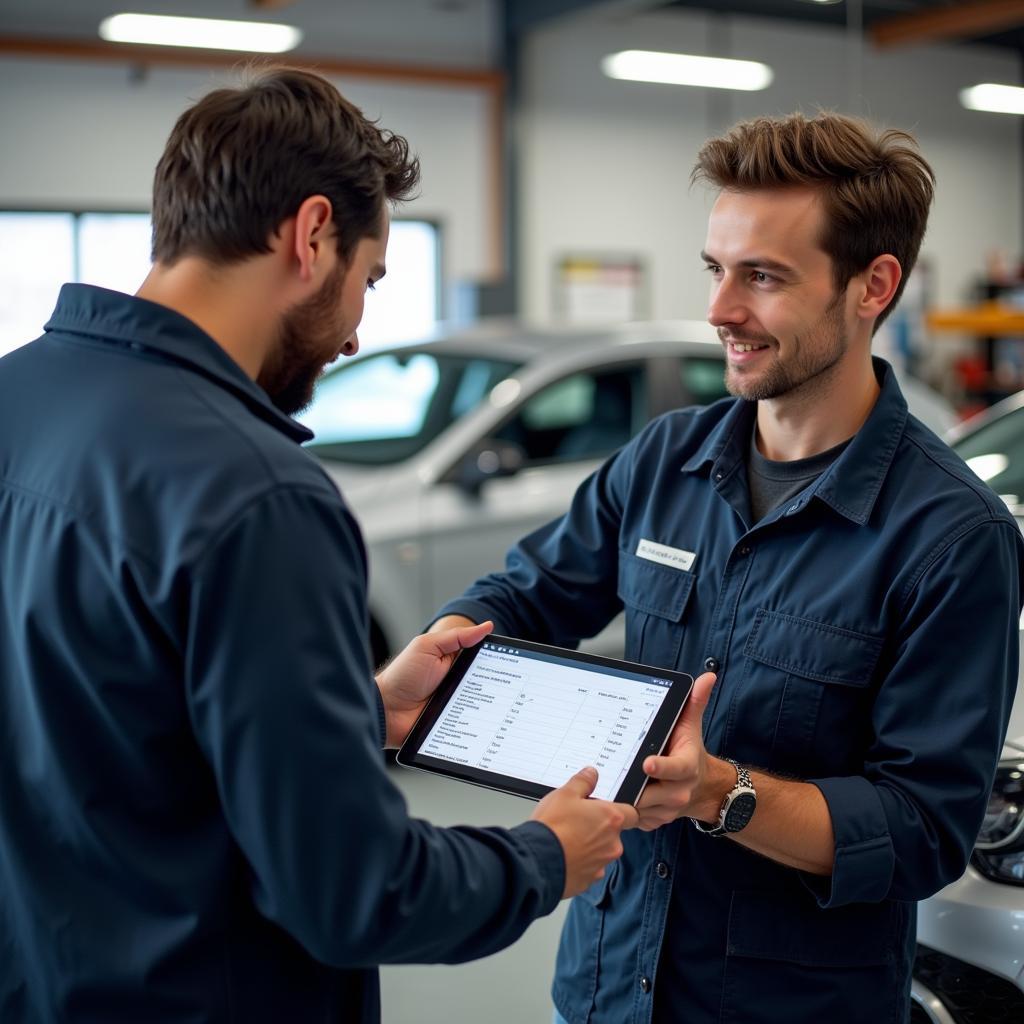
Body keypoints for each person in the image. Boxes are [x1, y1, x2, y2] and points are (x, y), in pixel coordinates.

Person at [0, 67, 638, 1024]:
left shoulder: (17, 400)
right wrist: (546, 855)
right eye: (368, 279)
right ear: (309, 236)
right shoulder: (259, 495)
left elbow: (100, 723)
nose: (353, 334)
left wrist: (351, 713)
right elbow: (354, 891)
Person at [431, 112, 1024, 1024]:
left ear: (873, 286)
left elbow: (921, 831)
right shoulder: (664, 460)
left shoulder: (950, 536)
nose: (720, 310)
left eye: (763, 276)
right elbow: (526, 594)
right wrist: (437, 650)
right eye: (717, 268)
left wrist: (721, 792)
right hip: (604, 987)